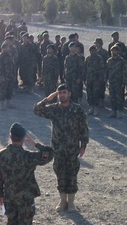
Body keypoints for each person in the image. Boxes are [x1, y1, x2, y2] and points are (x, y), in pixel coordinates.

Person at [0, 123, 54, 225]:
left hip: (9, 196)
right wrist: (35, 144)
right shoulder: (28, 156)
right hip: (25, 197)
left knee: (12, 224)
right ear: (23, 138)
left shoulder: (1, 156)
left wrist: (0, 194)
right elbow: (50, 154)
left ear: (10, 136)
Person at [33, 84, 89, 212]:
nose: (62, 95)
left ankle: (71, 203)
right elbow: (36, 110)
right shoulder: (54, 109)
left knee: (72, 174)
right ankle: (63, 200)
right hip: (58, 149)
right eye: (60, 93)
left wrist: (83, 146)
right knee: (60, 174)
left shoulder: (77, 110)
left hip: (72, 148)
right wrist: (48, 99)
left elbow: (84, 129)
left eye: (64, 92)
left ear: (69, 94)